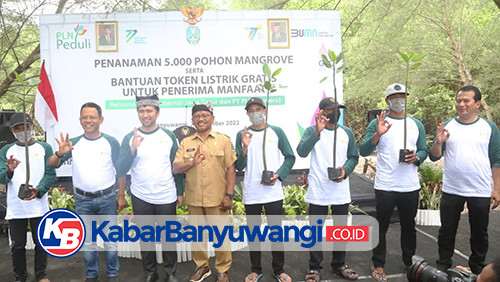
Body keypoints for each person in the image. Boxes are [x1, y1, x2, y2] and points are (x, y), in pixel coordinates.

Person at [359, 83, 427, 282]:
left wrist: (417, 157)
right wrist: (378, 134)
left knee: (409, 226)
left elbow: (423, 149)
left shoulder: (416, 124)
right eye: (394, 97)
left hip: (410, 186)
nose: (399, 100)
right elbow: (363, 150)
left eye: (402, 96)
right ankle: (378, 264)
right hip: (386, 186)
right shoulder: (378, 122)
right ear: (387, 100)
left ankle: (409, 260)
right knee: (381, 226)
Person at [48, 102, 123, 282]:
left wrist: (121, 195)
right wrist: (59, 154)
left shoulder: (110, 141)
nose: (88, 120)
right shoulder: (73, 143)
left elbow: (120, 169)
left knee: (110, 241)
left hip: (107, 198)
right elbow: (52, 164)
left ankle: (113, 274)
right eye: (84, 117)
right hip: (83, 199)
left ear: (100, 119)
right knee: (88, 242)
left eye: (92, 117)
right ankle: (91, 275)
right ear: (80, 120)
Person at [429, 85, 500, 275]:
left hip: (480, 189)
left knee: (479, 233)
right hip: (452, 189)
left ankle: (477, 269)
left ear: (477, 103)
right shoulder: (448, 126)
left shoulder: (489, 128)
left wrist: (497, 189)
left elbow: (496, 159)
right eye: (458, 100)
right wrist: (438, 142)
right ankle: (442, 266)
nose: (461, 104)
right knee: (446, 231)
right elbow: (435, 156)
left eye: (466, 100)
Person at [117, 95, 184, 282]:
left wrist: (180, 191)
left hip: (166, 195)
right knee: (146, 238)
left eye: (149, 111)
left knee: (168, 237)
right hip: (141, 195)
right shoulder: (130, 137)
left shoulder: (168, 136)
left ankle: (171, 273)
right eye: (141, 111)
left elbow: (175, 166)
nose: (145, 114)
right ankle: (150, 273)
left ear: (157, 112)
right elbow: (121, 168)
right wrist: (132, 150)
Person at [297, 98, 360, 282]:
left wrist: (345, 170)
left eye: (338, 109)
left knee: (340, 229)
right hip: (318, 190)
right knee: (315, 231)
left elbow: (353, 157)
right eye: (331, 108)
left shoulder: (346, 132)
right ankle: (314, 267)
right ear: (322, 111)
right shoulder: (312, 130)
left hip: (340, 190)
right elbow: (301, 151)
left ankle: (339, 264)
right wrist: (318, 131)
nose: (335, 111)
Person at [173, 103, 236, 282]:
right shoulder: (186, 142)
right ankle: (202, 266)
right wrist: (192, 162)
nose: (200, 119)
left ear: (212, 118)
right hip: (194, 197)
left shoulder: (224, 140)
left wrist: (229, 195)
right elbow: (176, 167)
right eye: (197, 116)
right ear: (192, 120)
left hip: (217, 198)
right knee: (197, 236)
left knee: (221, 236)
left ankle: (223, 269)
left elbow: (231, 169)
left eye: (204, 115)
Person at [235, 97, 295, 282]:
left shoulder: (276, 132)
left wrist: (279, 174)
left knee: (276, 232)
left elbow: (290, 157)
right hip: (252, 192)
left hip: (273, 191)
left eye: (258, 109)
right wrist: (244, 147)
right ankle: (255, 269)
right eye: (251, 110)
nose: (255, 113)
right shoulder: (242, 134)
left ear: (265, 110)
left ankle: (279, 270)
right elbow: (238, 165)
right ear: (247, 114)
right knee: (253, 233)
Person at [0, 112, 56, 282]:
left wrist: (39, 189)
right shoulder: (6, 151)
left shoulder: (44, 148)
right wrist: (9, 170)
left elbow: (50, 173)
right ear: (12, 130)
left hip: (38, 205)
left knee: (41, 243)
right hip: (17, 207)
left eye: (26, 127)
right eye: (18, 128)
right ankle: (20, 276)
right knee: (17, 245)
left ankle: (41, 275)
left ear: (32, 127)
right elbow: (1, 177)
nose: (23, 131)